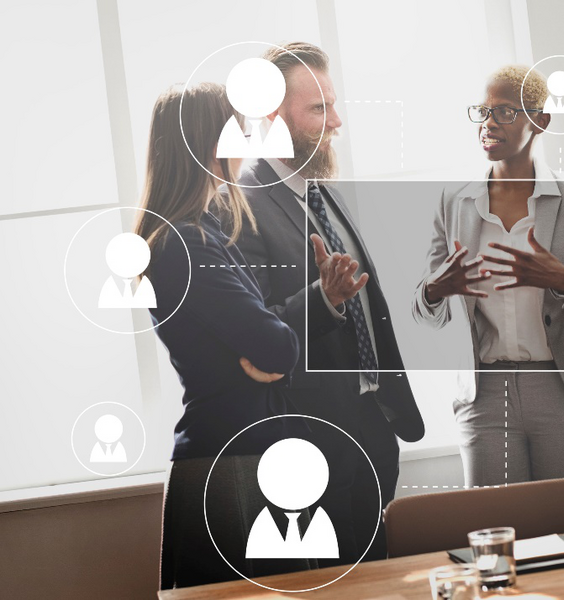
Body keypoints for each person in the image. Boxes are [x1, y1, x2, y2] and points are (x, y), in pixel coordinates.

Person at [140, 83, 354, 587]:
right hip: (229, 463)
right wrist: (268, 347)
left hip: (246, 453)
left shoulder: (206, 231)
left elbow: (269, 339)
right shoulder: (185, 242)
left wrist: (267, 346)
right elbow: (275, 345)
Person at [234, 42, 424, 565]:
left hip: (371, 423)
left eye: (333, 104)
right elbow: (256, 335)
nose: (337, 121)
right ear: (271, 116)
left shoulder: (324, 192)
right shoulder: (242, 206)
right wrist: (325, 299)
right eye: (319, 108)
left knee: (380, 576)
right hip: (312, 438)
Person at [412, 65, 564, 486]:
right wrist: (438, 289)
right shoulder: (453, 199)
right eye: (482, 112)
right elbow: (424, 311)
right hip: (485, 396)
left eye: (505, 112)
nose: (489, 123)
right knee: (497, 533)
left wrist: (561, 278)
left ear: (540, 120)